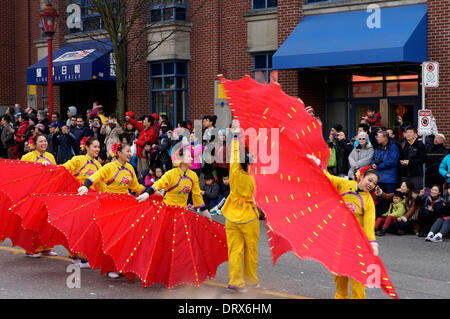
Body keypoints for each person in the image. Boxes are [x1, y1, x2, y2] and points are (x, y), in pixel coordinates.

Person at [308, 154, 380, 299]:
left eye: (374, 183)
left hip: (357, 245)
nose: (370, 184)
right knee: (339, 280)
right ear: (361, 177)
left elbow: (369, 224)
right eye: (369, 180)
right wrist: (317, 165)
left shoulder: (368, 202)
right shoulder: (346, 185)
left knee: (358, 282)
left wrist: (372, 243)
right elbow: (329, 178)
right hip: (339, 241)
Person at [78, 141, 147, 278]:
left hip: (126, 206)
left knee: (125, 238)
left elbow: (136, 187)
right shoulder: (109, 167)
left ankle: (122, 265)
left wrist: (150, 192)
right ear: (119, 153)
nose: (130, 154)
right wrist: (86, 186)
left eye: (130, 151)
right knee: (112, 237)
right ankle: (111, 267)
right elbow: (94, 177)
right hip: (111, 206)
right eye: (127, 151)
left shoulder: (130, 168)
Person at [219, 121, 261, 293]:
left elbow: (236, 152)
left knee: (235, 250)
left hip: (231, 213)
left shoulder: (235, 169)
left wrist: (236, 135)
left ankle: (235, 281)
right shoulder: (254, 177)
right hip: (248, 216)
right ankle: (251, 281)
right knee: (251, 251)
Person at [62, 137, 105, 268]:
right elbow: (64, 169)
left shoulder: (98, 165)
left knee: (87, 227)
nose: (97, 149)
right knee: (78, 226)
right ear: (87, 147)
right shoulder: (78, 160)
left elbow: (102, 184)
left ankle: (82, 255)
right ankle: (77, 254)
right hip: (78, 198)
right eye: (94, 147)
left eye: (98, 147)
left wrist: (109, 196)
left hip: (91, 200)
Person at [20, 134, 57, 258]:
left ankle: (46, 247)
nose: (44, 143)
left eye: (45, 141)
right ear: (34, 144)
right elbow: (22, 175)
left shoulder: (50, 156)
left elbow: (56, 174)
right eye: (41, 141)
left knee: (46, 221)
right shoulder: (28, 157)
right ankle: (31, 249)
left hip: (48, 193)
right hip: (33, 194)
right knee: (33, 222)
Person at [371, 130, 399, 215]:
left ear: (385, 138)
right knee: (379, 198)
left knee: (390, 199)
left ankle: (389, 218)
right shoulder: (378, 147)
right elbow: (373, 159)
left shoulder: (393, 147)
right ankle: (381, 217)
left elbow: (393, 161)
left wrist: (379, 166)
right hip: (379, 178)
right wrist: (373, 165)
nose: (377, 138)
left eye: (379, 137)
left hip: (390, 179)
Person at [398, 126, 426, 192]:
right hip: (405, 174)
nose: (408, 134)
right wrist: (401, 161)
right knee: (404, 193)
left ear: (415, 134)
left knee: (418, 193)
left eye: (410, 132)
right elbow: (401, 157)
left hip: (417, 175)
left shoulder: (420, 145)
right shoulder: (403, 144)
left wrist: (409, 162)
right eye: (406, 132)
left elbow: (422, 160)